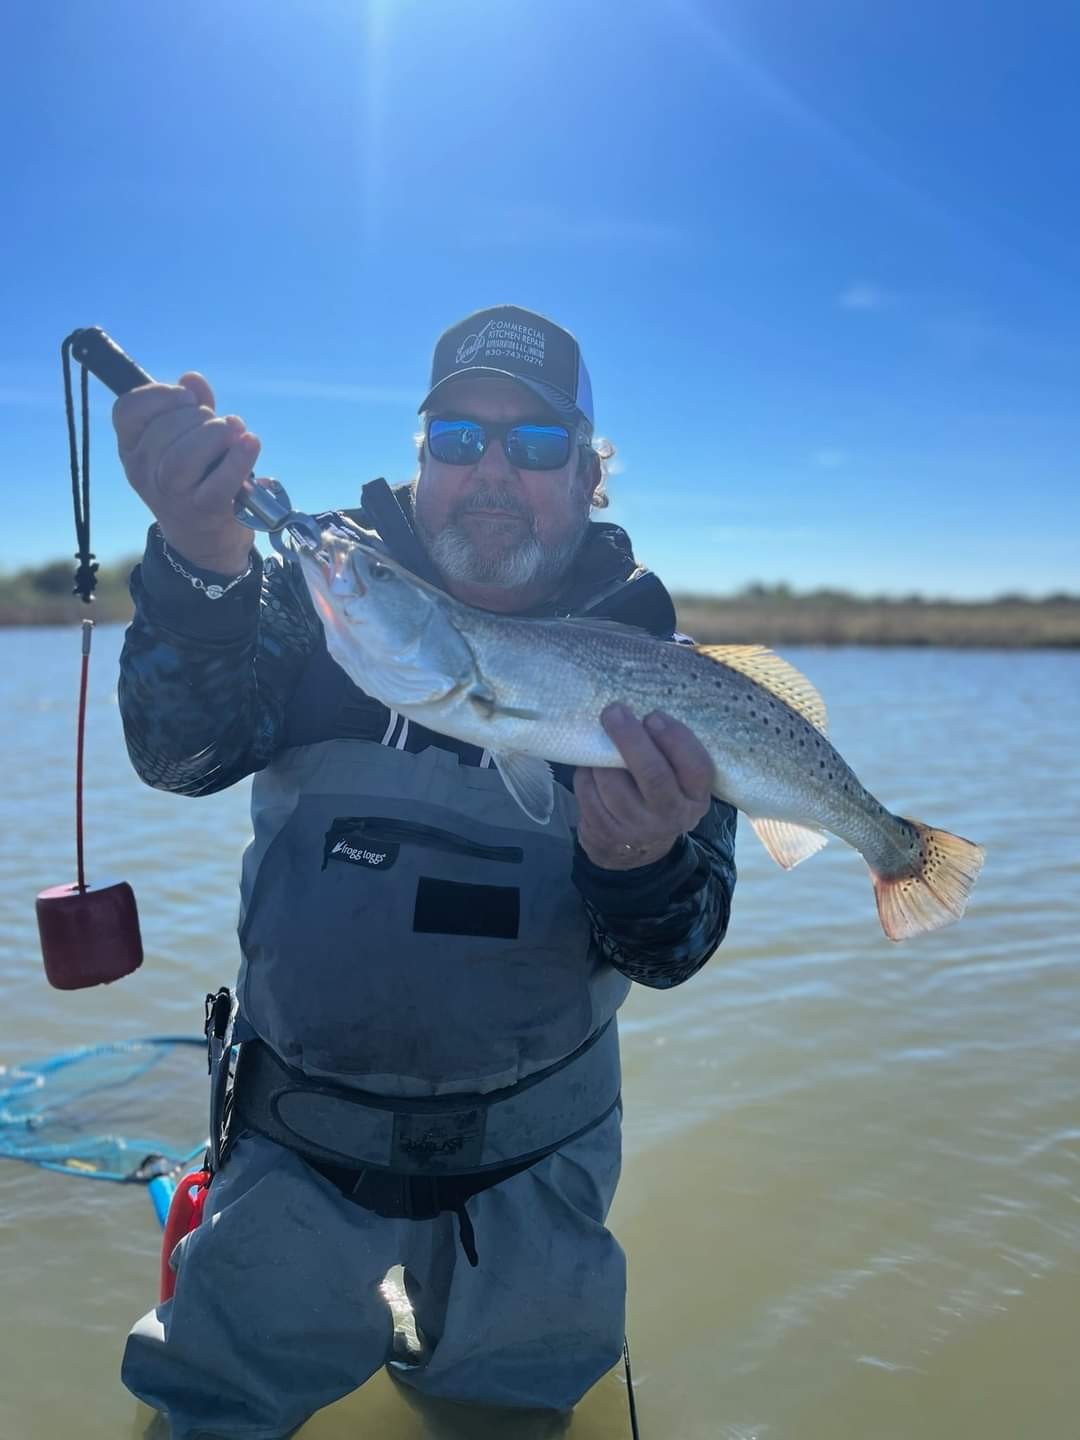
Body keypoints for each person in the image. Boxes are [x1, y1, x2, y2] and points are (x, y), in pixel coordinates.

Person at [114, 305, 737, 1439]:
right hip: (290, 1146)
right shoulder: (319, 610)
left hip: (540, 1170)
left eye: (536, 444)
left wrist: (638, 861)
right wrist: (202, 564)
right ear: (420, 461)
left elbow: (677, 949)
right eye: (458, 437)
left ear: (590, 477)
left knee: (513, 1419)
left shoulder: (668, 680)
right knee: (210, 1417)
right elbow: (180, 755)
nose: (492, 470)